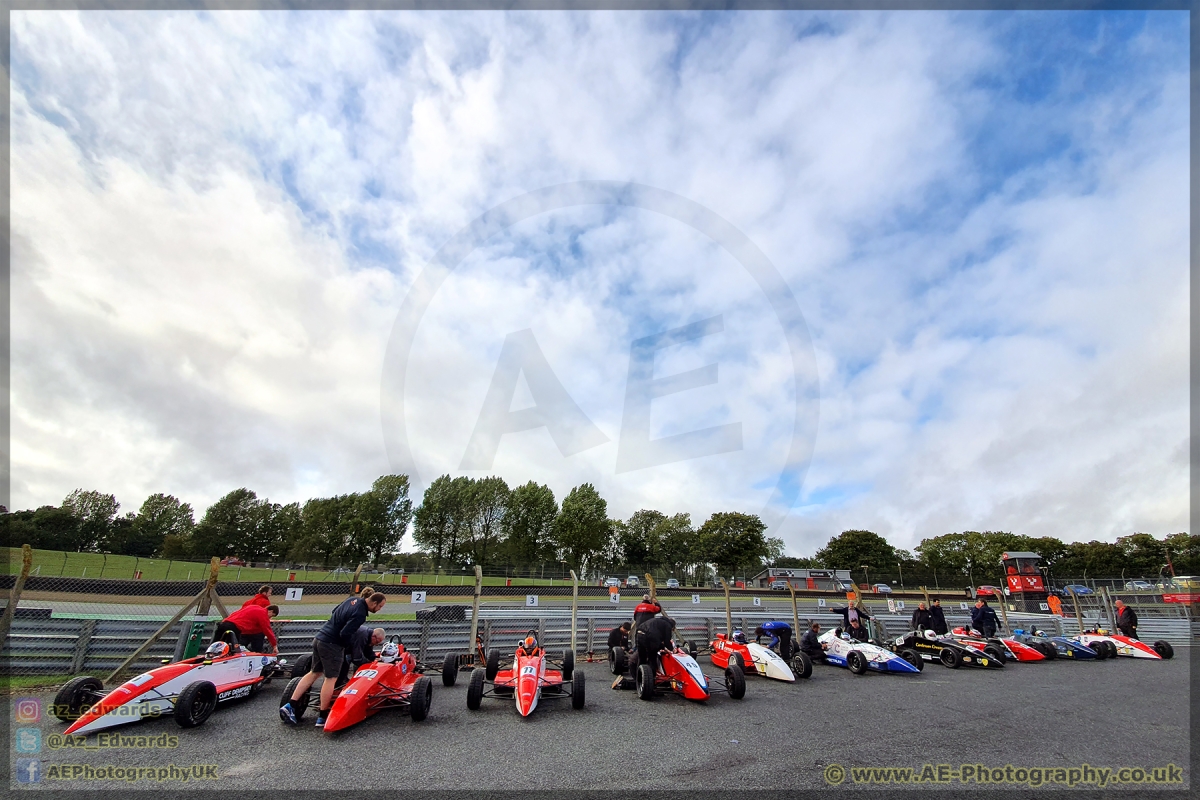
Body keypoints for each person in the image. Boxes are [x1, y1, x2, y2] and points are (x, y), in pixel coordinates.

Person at [280, 591, 387, 728]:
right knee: (331, 679)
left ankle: (291, 705)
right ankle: (322, 716)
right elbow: (345, 633)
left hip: (320, 637)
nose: (379, 609)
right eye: (380, 606)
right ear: (373, 603)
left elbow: (335, 610)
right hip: (332, 644)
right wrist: (347, 646)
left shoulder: (352, 600)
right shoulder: (360, 614)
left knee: (314, 672)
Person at [213, 604, 279, 653]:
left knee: (215, 645)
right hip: (234, 627)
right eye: (272, 616)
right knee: (234, 650)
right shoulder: (263, 614)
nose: (270, 618)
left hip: (224, 623)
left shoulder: (253, 607)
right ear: (271, 611)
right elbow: (267, 630)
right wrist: (274, 645)